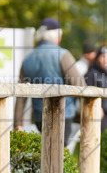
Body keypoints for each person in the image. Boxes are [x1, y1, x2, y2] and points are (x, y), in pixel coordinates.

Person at [14, 17, 83, 145]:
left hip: (40, 115)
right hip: (63, 113)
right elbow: (79, 85)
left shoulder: (28, 58)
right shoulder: (63, 55)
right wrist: (89, 111)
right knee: (59, 151)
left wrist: (17, 123)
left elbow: (20, 95)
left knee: (47, 149)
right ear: (57, 35)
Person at [84, 45, 107, 131]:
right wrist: (97, 108)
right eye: (104, 56)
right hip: (100, 114)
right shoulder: (91, 74)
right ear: (98, 58)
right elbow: (88, 94)